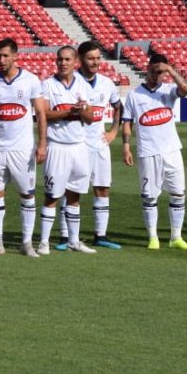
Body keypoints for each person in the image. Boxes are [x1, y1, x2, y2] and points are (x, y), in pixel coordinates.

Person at [0, 38, 48, 257]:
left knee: (27, 195)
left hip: (22, 149)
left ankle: (26, 243)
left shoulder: (30, 80)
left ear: (16, 56)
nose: (1, 60)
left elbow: (41, 113)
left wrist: (42, 143)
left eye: (6, 55)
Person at [121, 54, 187, 250]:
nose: (157, 75)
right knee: (150, 196)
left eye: (161, 72)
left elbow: (186, 89)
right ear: (147, 69)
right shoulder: (135, 95)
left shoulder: (169, 90)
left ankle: (176, 237)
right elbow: (127, 122)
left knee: (178, 194)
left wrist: (170, 70)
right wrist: (126, 146)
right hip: (148, 152)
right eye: (154, 71)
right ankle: (153, 237)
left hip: (172, 151)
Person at [57, 41, 123, 250]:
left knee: (102, 188)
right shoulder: (71, 81)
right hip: (76, 145)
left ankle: (100, 235)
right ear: (80, 60)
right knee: (70, 191)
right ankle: (65, 236)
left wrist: (114, 131)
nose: (95, 62)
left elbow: (117, 106)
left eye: (97, 58)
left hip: (99, 144)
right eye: (90, 58)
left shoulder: (106, 83)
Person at [38, 46, 96, 255]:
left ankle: (74, 240)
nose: (63, 63)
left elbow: (91, 119)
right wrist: (68, 111)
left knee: (75, 195)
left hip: (79, 147)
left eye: (67, 60)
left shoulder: (82, 84)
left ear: (75, 62)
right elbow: (44, 115)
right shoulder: (47, 85)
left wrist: (82, 110)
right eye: (60, 59)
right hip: (57, 146)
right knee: (52, 195)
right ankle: (44, 242)